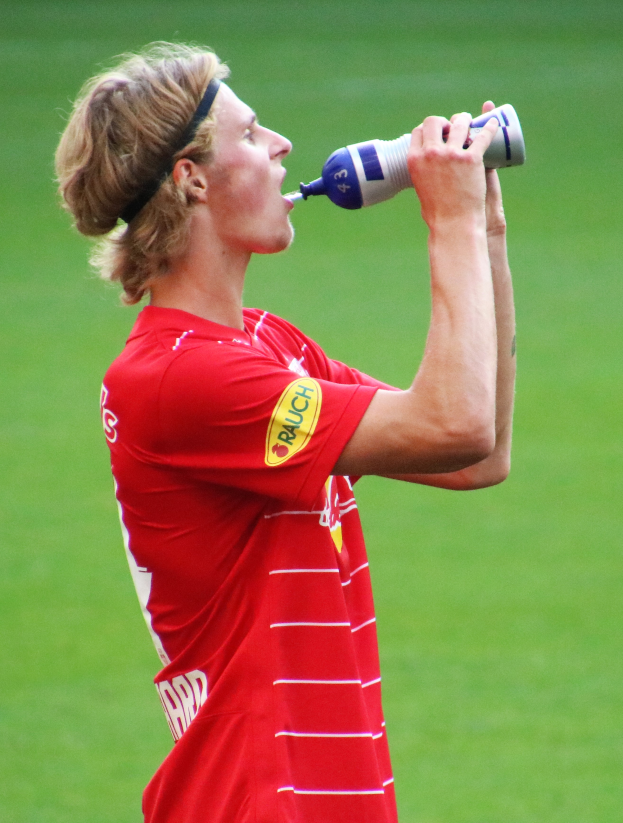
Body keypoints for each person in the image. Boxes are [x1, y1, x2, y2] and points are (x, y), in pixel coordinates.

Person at [55, 42, 515, 823]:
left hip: (326, 796)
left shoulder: (267, 346)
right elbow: (453, 424)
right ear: (191, 178)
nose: (281, 146)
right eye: (250, 132)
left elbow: (478, 454)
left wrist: (485, 230)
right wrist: (450, 222)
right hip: (257, 799)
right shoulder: (177, 377)